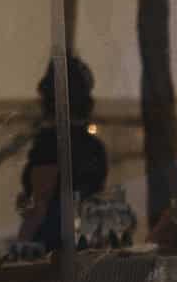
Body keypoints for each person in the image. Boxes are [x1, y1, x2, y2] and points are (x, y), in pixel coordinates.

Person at [16, 57, 110, 253]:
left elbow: (40, 201)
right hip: (88, 239)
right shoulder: (93, 146)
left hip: (53, 245)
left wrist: (19, 246)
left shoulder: (50, 143)